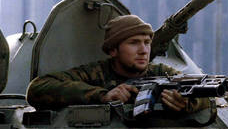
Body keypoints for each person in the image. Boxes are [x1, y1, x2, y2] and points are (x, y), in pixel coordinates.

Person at [26, 15, 208, 113]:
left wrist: (189, 102)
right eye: (134, 42)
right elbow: (38, 88)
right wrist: (102, 96)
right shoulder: (95, 74)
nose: (144, 50)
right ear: (113, 50)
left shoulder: (161, 72)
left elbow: (208, 93)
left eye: (146, 42)